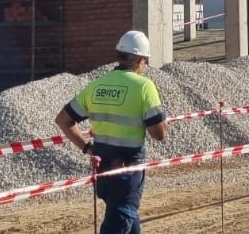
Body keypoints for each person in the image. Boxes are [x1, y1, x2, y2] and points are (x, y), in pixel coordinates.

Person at [55, 30, 167, 234]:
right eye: (145, 61)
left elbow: (63, 120)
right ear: (139, 60)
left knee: (126, 215)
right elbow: (158, 134)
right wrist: (161, 121)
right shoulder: (144, 86)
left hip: (103, 168)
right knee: (121, 218)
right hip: (127, 168)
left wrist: (86, 147)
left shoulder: (97, 86)